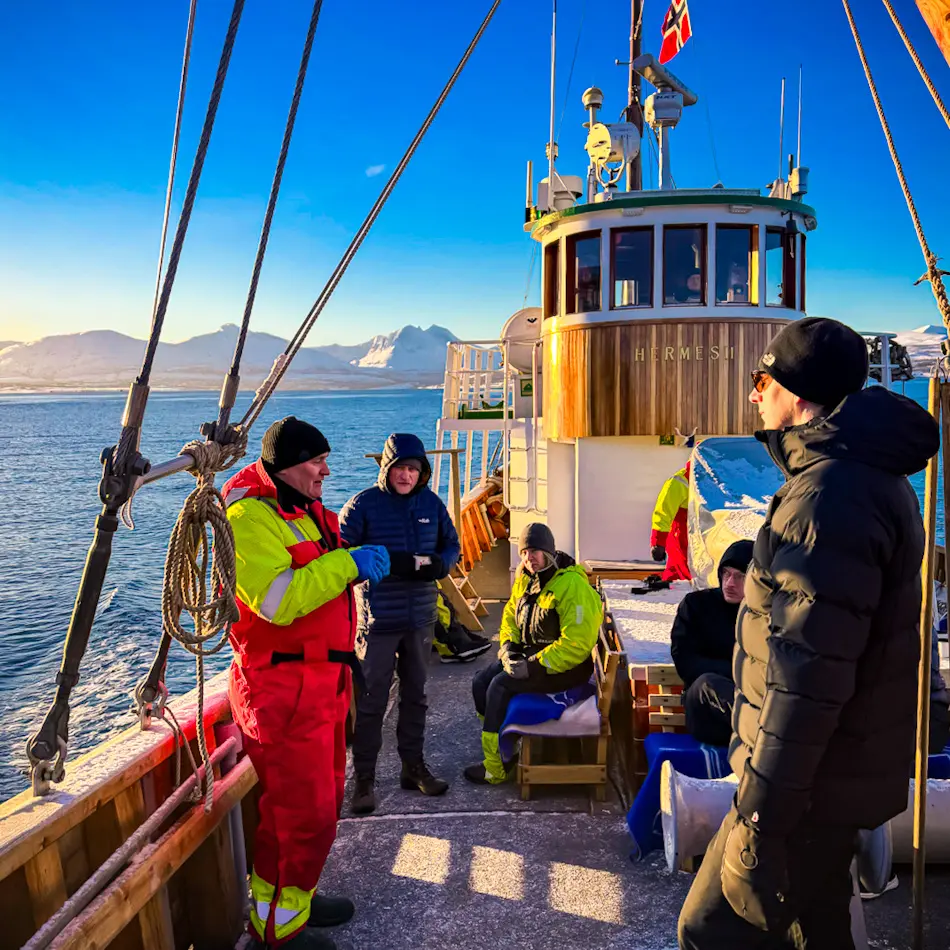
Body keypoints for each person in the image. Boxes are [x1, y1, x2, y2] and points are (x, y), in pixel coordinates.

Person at [678, 317, 940, 949]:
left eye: (760, 380)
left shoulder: (827, 497)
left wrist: (761, 817)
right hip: (829, 782)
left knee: (709, 930)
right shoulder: (872, 481)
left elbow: (805, 678)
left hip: (803, 793)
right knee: (815, 930)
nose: (751, 395)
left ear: (796, 393)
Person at [223, 416, 390, 950]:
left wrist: (357, 562)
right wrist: (348, 564)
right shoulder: (248, 519)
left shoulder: (299, 509)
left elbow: (318, 575)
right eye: (316, 461)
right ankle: (276, 932)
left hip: (322, 682)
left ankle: (299, 895)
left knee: (321, 804)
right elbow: (277, 601)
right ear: (288, 465)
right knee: (300, 813)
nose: (325, 469)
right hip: (284, 691)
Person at [340, 433, 461, 814]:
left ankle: (413, 768)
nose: (407, 475)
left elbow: (451, 544)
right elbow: (341, 556)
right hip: (378, 620)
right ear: (386, 469)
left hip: (420, 617)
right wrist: (385, 562)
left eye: (413, 469)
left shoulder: (431, 504)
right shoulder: (362, 505)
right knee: (372, 700)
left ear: (421, 472)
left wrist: (441, 563)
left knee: (416, 695)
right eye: (400, 468)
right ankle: (364, 779)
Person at [464, 523, 604, 784]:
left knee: (499, 686)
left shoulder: (571, 585)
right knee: (480, 681)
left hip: (565, 668)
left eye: (536, 551)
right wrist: (508, 649)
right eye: (525, 552)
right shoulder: (525, 578)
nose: (530, 558)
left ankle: (497, 768)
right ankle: (505, 743)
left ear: (549, 552)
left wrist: (533, 665)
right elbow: (510, 617)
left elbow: (577, 644)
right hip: (532, 656)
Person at [670, 540, 753, 747]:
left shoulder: (765, 615)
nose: (730, 583)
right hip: (706, 711)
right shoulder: (696, 605)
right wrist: (738, 674)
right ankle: (762, 736)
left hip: (754, 699)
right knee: (708, 683)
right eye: (726, 573)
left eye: (740, 576)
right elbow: (686, 662)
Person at [651, 462, 691, 582]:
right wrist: (658, 543)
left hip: (706, 543)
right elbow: (663, 512)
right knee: (678, 574)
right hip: (681, 542)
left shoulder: (717, 480)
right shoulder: (680, 481)